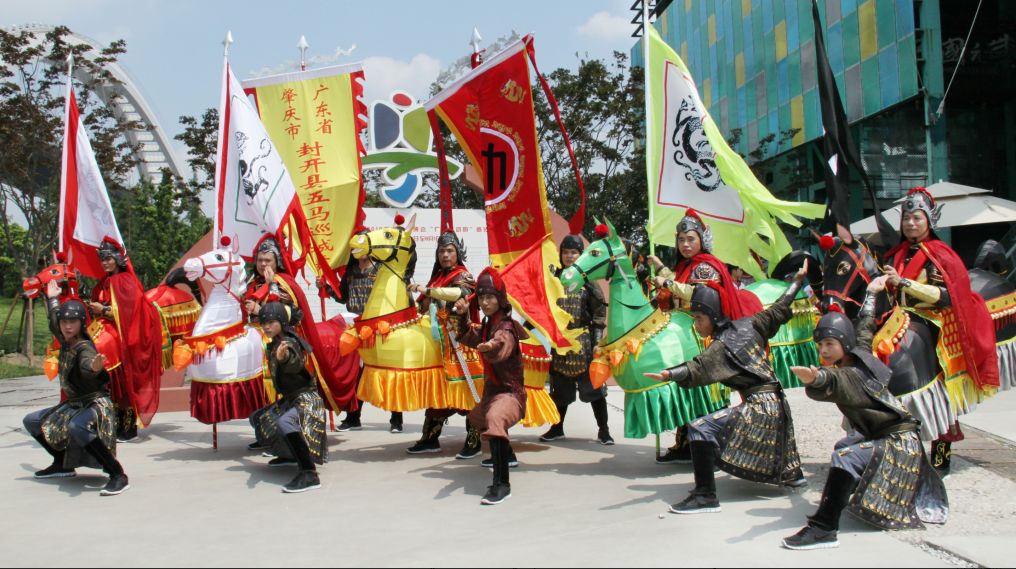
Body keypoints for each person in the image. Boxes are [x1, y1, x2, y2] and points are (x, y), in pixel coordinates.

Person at [782, 277, 948, 550]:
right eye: (820, 345)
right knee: (845, 444)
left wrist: (815, 378)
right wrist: (871, 293)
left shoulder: (850, 374)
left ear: (842, 345)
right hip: (899, 437)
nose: (823, 351)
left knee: (846, 456)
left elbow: (835, 382)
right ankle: (856, 496)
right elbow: (866, 324)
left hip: (902, 445)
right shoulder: (858, 352)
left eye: (829, 345)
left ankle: (824, 528)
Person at [645, 262, 808, 514]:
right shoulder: (750, 324)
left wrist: (668, 373)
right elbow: (780, 306)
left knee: (700, 427)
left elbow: (695, 368)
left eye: (699, 318)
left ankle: (705, 496)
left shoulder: (721, 346)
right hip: (777, 402)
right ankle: (792, 473)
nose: (696, 325)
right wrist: (797, 281)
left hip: (760, 407)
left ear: (713, 314)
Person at [882, 187, 999, 476]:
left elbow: (948, 296)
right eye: (907, 218)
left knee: (942, 398)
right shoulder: (895, 253)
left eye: (916, 218)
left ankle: (941, 457)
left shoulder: (941, 254)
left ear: (929, 221)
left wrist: (904, 283)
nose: (910, 223)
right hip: (900, 320)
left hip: (935, 324)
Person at [647, 210, 762, 464]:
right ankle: (685, 443)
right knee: (686, 390)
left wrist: (665, 283)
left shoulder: (707, 266)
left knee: (706, 391)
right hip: (687, 335)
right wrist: (662, 269)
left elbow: (697, 294)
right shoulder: (686, 266)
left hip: (706, 337)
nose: (685, 245)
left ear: (701, 239)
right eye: (681, 240)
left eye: (690, 239)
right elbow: (680, 281)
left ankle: (712, 446)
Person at [22, 281, 129, 496]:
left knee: (77, 427)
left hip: (94, 403)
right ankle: (62, 464)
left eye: (72, 321)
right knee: (33, 421)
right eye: (64, 321)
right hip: (74, 404)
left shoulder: (84, 347)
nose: (66, 325)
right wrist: (53, 298)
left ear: (81, 323)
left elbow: (87, 366)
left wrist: (95, 367)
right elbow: (54, 322)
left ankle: (117, 474)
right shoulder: (66, 340)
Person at [405, 231, 481, 458]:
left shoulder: (463, 275)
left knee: (468, 391)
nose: (445, 255)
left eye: (449, 251)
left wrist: (428, 291)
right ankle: (429, 439)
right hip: (439, 346)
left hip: (461, 344)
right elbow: (421, 307)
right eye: (441, 251)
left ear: (458, 253)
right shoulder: (436, 277)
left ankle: (474, 441)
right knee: (439, 392)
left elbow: (460, 293)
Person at [461, 267, 528, 505]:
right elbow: (471, 337)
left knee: (495, 419)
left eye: (490, 296)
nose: (486, 302)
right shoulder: (489, 324)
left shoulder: (506, 328)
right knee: (476, 418)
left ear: (500, 299)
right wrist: (460, 317)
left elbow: (503, 345)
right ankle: (506, 454)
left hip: (510, 395)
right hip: (492, 393)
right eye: (482, 297)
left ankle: (502, 484)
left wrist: (491, 346)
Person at [88, 238, 163, 441]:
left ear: (118, 259)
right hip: (102, 328)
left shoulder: (125, 281)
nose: (104, 262)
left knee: (103, 351)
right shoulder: (104, 281)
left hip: (122, 336)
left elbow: (130, 312)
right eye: (102, 259)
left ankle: (128, 426)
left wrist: (103, 310)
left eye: (108, 258)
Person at [330, 228, 404, 433]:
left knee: (387, 371)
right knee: (356, 372)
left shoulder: (382, 269)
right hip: (355, 325)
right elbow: (343, 297)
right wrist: (326, 288)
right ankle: (353, 417)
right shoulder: (351, 271)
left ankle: (396, 419)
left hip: (379, 326)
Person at [540, 234, 611, 445]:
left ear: (581, 255)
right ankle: (557, 427)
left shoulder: (588, 281)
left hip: (583, 342)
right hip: (560, 343)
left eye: (574, 253)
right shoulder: (554, 279)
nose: (569, 256)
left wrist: (598, 340)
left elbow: (599, 314)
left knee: (595, 389)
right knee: (559, 388)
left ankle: (604, 430)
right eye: (566, 252)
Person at [249, 302, 325, 493]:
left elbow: (294, 363)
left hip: (306, 399)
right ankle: (290, 455)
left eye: (271, 322)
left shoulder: (288, 343)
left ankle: (309, 473)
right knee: (260, 418)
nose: (266, 326)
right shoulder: (276, 341)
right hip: (291, 399)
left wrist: (284, 358)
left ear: (282, 322)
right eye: (263, 322)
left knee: (285, 423)